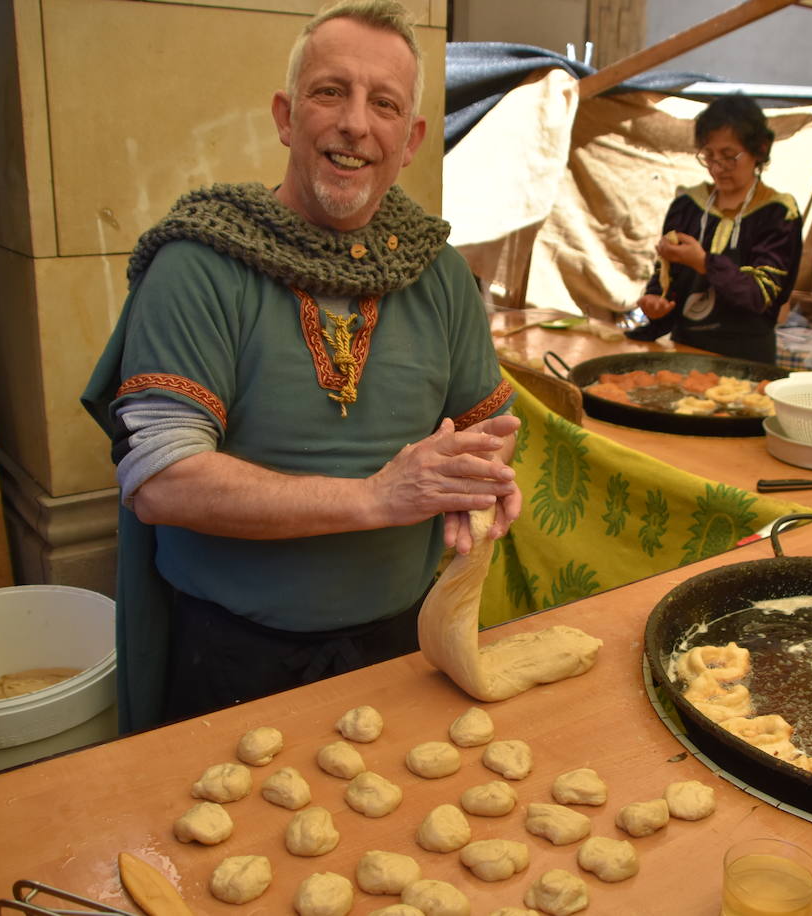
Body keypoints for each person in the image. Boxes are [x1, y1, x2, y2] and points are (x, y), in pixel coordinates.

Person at [81, 0, 521, 732]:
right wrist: (377, 498)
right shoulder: (198, 265)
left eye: (383, 104)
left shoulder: (440, 273)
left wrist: (472, 476)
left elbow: (490, 425)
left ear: (410, 139)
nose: (355, 123)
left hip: (403, 650)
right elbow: (161, 480)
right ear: (287, 117)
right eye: (330, 92)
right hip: (229, 662)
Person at [625, 94, 802, 364]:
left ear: (760, 149)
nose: (718, 167)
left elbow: (759, 295)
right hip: (686, 351)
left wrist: (705, 263)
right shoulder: (687, 206)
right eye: (709, 155)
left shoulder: (778, 213)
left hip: (747, 360)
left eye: (730, 156)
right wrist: (656, 302)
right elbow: (666, 277)